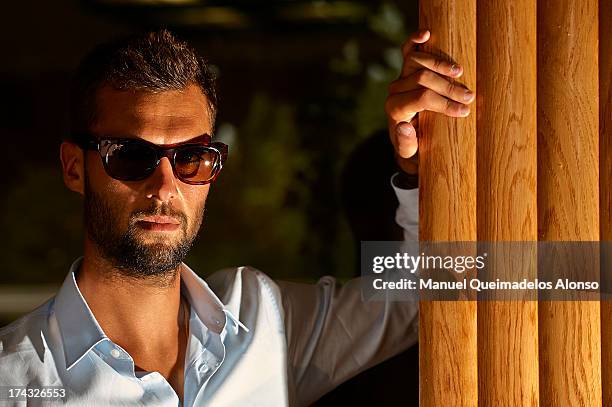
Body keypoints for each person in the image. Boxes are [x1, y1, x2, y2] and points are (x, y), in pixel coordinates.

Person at [0, 29, 473, 406]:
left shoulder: (262, 319)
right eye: (130, 156)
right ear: (73, 167)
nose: (166, 187)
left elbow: (423, 290)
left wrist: (416, 167)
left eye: (192, 159)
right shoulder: (12, 381)